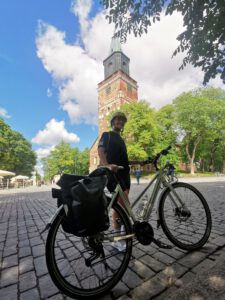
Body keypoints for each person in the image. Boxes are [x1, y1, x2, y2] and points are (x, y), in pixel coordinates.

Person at [98, 111, 143, 251]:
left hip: (125, 175)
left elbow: (124, 159)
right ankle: (117, 239)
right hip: (113, 173)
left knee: (124, 205)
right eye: (117, 120)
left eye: (122, 121)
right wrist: (106, 165)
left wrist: (139, 162)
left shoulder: (121, 139)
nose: (120, 122)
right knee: (120, 205)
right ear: (113, 122)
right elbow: (100, 150)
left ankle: (123, 234)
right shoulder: (107, 135)